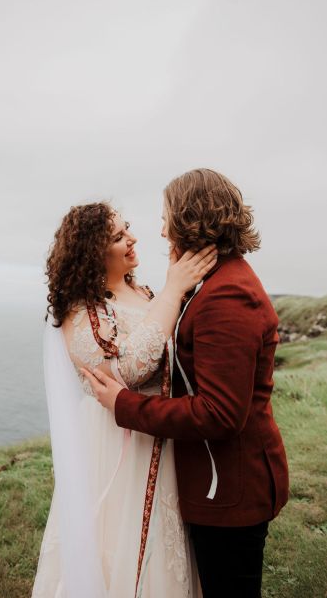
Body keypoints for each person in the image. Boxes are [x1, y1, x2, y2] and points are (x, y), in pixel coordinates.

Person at [83, 169, 290, 598]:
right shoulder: (215, 282)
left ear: (190, 219)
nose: (160, 230)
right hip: (224, 481)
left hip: (231, 491)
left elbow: (219, 414)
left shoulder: (227, 297)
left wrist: (124, 404)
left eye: (166, 218)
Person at [31, 201, 217, 598]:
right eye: (117, 237)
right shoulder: (82, 310)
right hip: (119, 448)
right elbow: (127, 371)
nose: (132, 238)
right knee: (122, 551)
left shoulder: (143, 291)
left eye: (127, 227)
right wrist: (173, 289)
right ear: (93, 253)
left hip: (163, 434)